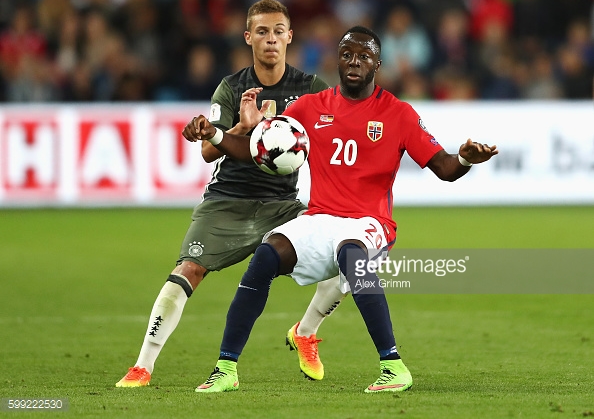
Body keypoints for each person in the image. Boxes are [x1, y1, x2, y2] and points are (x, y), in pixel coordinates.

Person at [188, 25, 498, 393]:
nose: (354, 62)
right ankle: (226, 368)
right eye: (347, 54)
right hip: (320, 218)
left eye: (364, 57)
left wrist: (465, 158)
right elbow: (256, 149)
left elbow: (445, 170)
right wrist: (217, 135)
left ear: (377, 64)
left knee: (352, 255)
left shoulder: (398, 114)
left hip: (370, 223)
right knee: (266, 256)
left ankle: (393, 366)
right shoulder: (309, 107)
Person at [115, 0, 340, 388]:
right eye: (263, 32)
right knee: (187, 270)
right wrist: (241, 126)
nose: (271, 40)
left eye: (278, 32)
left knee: (346, 258)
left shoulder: (310, 88)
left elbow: (335, 135)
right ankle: (143, 366)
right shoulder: (232, 87)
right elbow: (207, 150)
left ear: (290, 36)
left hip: (282, 207)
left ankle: (304, 331)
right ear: (248, 37)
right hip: (226, 202)